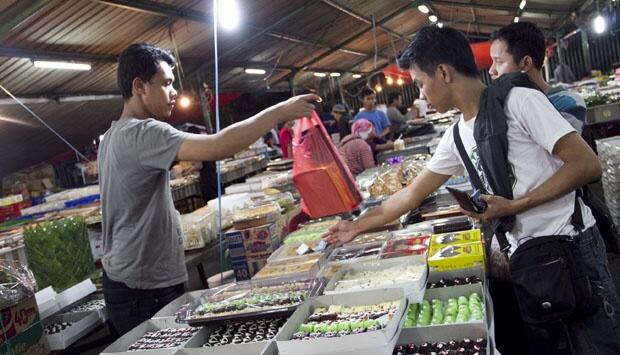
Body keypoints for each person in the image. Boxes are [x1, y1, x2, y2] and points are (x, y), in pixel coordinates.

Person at [323, 26, 620, 355]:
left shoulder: (518, 101)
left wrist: (515, 205)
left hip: (573, 247)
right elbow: (409, 196)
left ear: (443, 72)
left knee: (597, 344)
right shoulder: (456, 136)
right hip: (527, 261)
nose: (421, 96)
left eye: (421, 84)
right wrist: (355, 226)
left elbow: (586, 165)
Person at [98, 43, 318, 335]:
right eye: (166, 84)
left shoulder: (113, 135)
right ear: (139, 86)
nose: (174, 92)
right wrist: (278, 112)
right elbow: (218, 145)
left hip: (129, 279)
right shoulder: (144, 132)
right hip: (143, 286)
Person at [489, 22, 586, 132]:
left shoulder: (569, 103)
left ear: (526, 63)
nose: (491, 70)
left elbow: (557, 147)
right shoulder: (502, 106)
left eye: (499, 62)